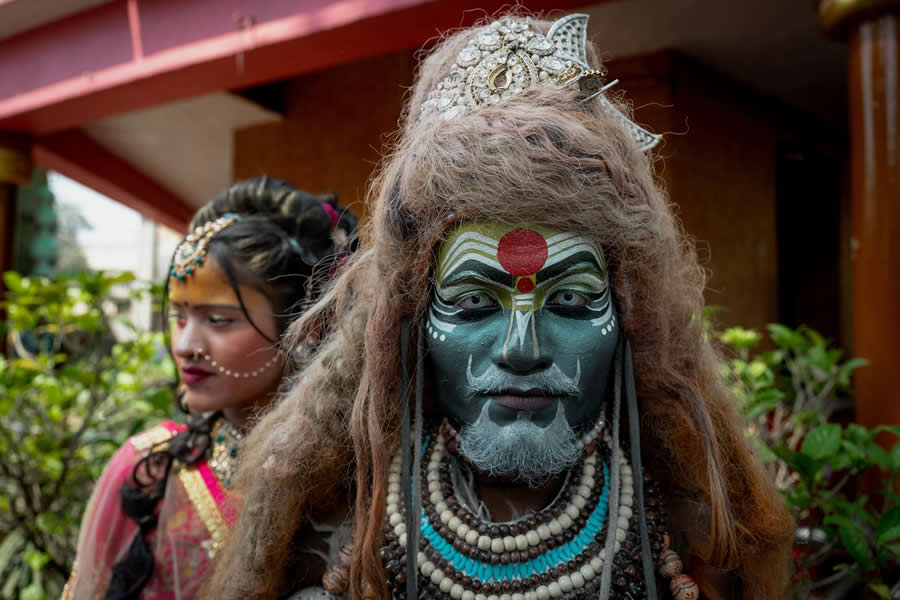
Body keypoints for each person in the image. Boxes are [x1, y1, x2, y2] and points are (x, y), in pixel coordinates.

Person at [204, 13, 794, 600]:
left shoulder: (699, 538)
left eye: (567, 298)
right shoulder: (335, 531)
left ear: (630, 317)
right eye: (473, 301)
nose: (522, 349)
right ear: (410, 317)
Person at [61, 177, 357, 600]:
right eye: (180, 318)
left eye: (218, 321)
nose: (185, 346)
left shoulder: (356, 479)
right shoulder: (146, 473)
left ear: (304, 326)